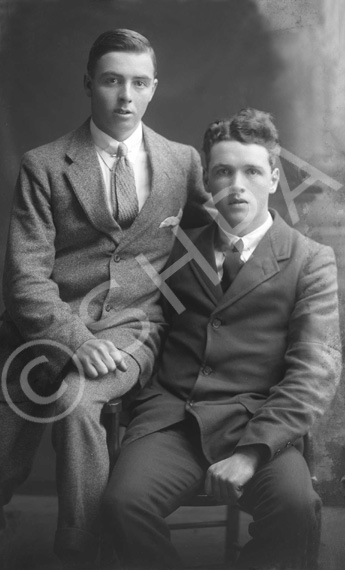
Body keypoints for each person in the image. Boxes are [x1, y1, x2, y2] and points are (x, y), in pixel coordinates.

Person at [0, 29, 210, 566]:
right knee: (9, 430)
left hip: (135, 329)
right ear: (88, 82)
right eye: (113, 80)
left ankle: (79, 547)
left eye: (139, 83)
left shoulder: (182, 162)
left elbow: (216, 235)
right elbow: (25, 278)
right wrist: (72, 337)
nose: (125, 97)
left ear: (154, 88)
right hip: (44, 324)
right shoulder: (44, 165)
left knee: (79, 398)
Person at [102, 108, 342, 570]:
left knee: (297, 510)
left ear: (273, 177)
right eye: (223, 172)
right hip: (172, 419)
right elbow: (137, 321)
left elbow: (315, 370)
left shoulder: (310, 260)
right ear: (208, 182)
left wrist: (252, 453)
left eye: (252, 171)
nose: (237, 184)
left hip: (258, 423)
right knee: (121, 504)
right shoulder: (174, 248)